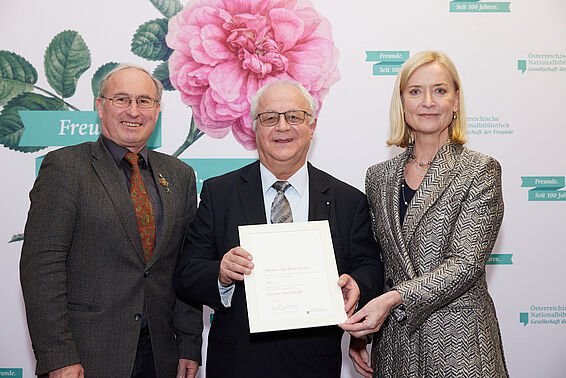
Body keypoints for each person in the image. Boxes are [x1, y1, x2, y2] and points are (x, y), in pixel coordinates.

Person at [174, 80, 383, 378]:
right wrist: (220, 273)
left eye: (294, 116)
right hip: (236, 363)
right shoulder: (218, 194)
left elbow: (370, 267)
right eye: (270, 117)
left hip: (315, 363)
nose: (282, 127)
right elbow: (186, 273)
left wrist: (358, 284)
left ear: (311, 126)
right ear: (254, 128)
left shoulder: (348, 200)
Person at [20, 64, 202, 378]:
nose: (134, 111)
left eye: (144, 101)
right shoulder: (66, 167)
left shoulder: (180, 175)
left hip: (160, 356)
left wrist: (188, 344)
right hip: (86, 357)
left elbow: (185, 265)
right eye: (121, 99)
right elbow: (42, 267)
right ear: (100, 106)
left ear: (157, 111)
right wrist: (59, 357)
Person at [340, 51, 508, 377]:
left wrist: (392, 299)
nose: (428, 101)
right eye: (415, 91)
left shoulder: (480, 170)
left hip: (459, 346)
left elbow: (465, 264)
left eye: (440, 90)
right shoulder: (378, 177)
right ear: (402, 103)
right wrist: (366, 328)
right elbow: (380, 263)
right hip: (394, 349)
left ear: (456, 101)